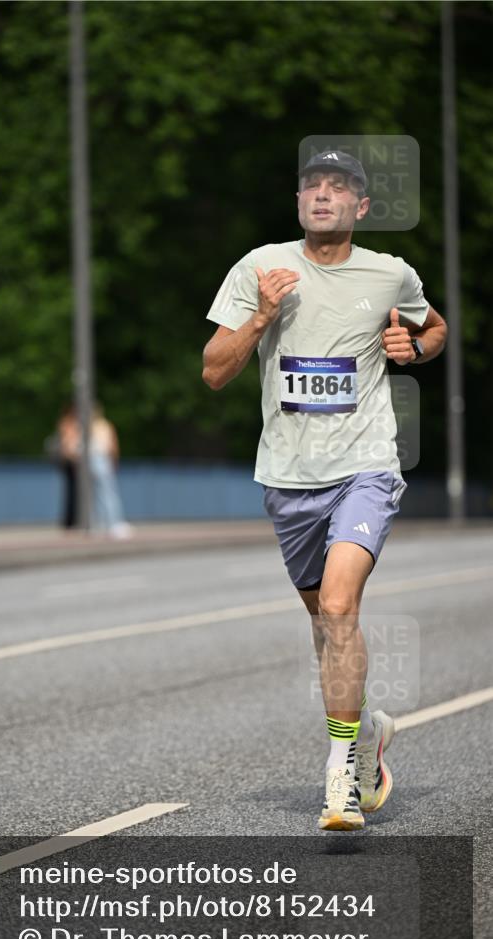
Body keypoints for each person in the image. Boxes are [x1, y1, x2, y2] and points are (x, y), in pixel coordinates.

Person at [202, 150, 447, 831]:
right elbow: (213, 372)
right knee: (323, 622)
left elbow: (432, 327)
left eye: (338, 188)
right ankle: (366, 735)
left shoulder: (388, 273)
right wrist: (260, 318)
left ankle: (340, 779)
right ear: (298, 200)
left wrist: (415, 351)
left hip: (366, 464)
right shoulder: (260, 267)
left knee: (339, 608)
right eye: (311, 184)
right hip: (287, 474)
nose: (322, 194)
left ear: (360, 208)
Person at [89, 404, 133, 539]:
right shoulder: (104, 425)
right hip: (101, 458)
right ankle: (114, 523)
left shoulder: (88, 426)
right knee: (109, 492)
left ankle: (100, 524)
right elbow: (112, 445)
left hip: (90, 459)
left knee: (96, 494)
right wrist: (114, 460)